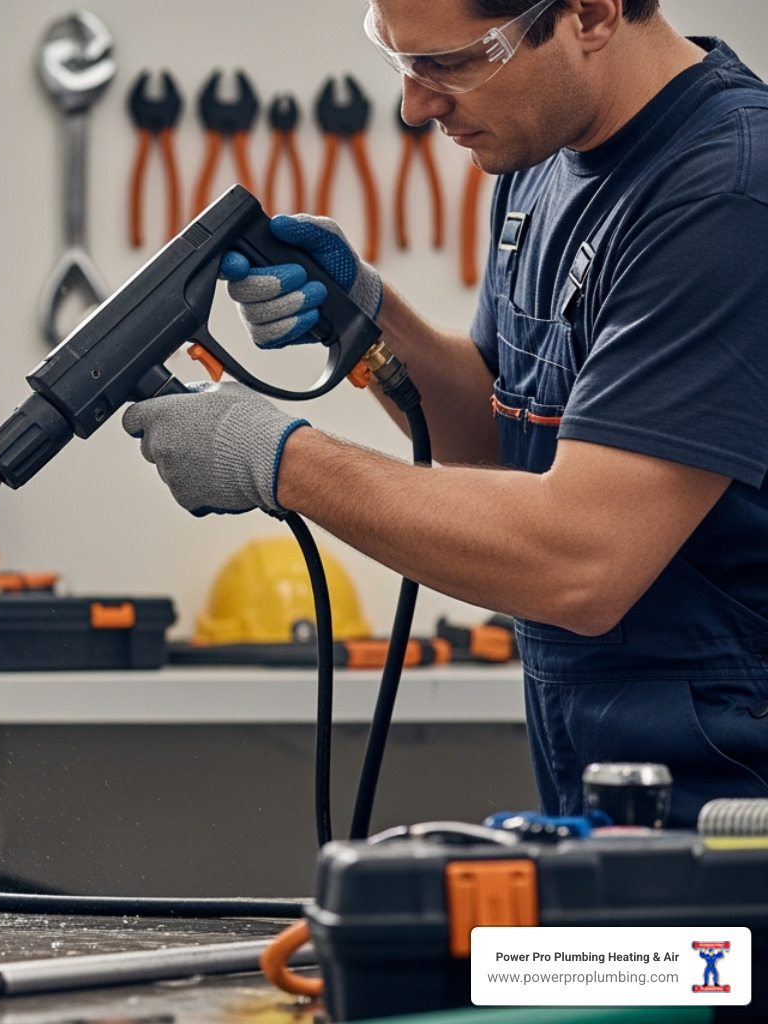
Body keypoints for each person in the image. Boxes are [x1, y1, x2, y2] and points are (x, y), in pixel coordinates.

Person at [123, 0, 768, 827]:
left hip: (731, 800)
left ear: (594, 13)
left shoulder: (729, 195)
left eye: (452, 63)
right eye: (398, 61)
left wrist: (280, 459)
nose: (414, 107)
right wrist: (365, 315)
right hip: (600, 773)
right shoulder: (540, 155)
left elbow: (584, 559)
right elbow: (497, 442)